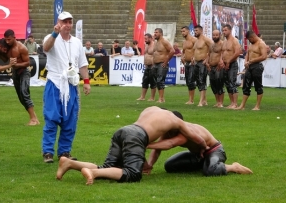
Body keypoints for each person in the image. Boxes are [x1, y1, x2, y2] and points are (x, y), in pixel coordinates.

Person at [56, 106, 208, 185]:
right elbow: (195, 137)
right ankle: (93, 173)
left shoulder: (151, 109)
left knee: (108, 166)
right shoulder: (176, 120)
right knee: (133, 174)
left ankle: (69, 163)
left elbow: (143, 142)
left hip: (123, 130)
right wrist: (204, 147)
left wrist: (148, 163)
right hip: (137, 136)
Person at [42, 11, 91, 163]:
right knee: (52, 118)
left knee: (70, 120)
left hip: (71, 85)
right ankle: (48, 152)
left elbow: (82, 64)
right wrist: (54, 34)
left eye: (70, 22)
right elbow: (46, 48)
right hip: (55, 83)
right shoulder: (51, 37)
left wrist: (87, 82)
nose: (68, 25)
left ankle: (64, 151)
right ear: (58, 23)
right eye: (65, 22)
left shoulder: (76, 42)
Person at [144, 113, 253, 176]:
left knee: (210, 171)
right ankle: (204, 164)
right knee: (169, 166)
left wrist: (147, 144)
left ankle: (233, 167)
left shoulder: (187, 131)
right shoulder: (169, 130)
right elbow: (158, 148)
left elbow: (170, 144)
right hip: (197, 155)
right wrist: (149, 165)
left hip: (214, 151)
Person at [4, 29, 40, 125]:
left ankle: (33, 119)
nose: (7, 42)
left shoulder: (21, 48)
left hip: (24, 72)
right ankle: (35, 118)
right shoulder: (6, 46)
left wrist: (16, 65)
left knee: (24, 94)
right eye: (6, 40)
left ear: (14, 38)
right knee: (21, 97)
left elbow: (28, 62)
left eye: (9, 39)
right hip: (15, 73)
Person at [236, 31, 267, 110]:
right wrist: (246, 61)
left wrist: (252, 61)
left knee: (258, 86)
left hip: (257, 66)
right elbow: (247, 54)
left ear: (252, 37)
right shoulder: (251, 44)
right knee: (246, 86)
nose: (249, 41)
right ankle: (242, 106)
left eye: (249, 39)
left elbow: (264, 56)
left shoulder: (261, 43)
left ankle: (257, 106)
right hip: (249, 66)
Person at [192, 25, 213, 106]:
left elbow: (213, 47)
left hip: (202, 63)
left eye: (196, 30)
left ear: (201, 31)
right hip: (196, 63)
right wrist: (193, 57)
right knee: (198, 81)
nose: (195, 32)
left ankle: (201, 101)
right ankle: (204, 100)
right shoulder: (196, 41)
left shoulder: (206, 39)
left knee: (202, 80)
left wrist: (207, 58)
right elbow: (196, 51)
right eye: (195, 30)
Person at [222, 24, 242, 109]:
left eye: (225, 30)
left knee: (232, 83)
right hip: (225, 64)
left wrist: (229, 62)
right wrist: (222, 61)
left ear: (230, 31)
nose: (224, 32)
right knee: (227, 84)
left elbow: (237, 52)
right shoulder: (224, 41)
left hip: (232, 64)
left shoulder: (234, 40)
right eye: (223, 30)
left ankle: (235, 103)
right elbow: (222, 53)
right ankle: (231, 103)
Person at [152, 28, 175, 103]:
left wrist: (166, 61)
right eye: (154, 32)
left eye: (156, 32)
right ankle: (161, 98)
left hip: (162, 64)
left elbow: (172, 51)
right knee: (157, 81)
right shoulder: (156, 42)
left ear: (161, 33)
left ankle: (161, 98)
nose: (155, 34)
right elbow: (155, 54)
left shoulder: (164, 42)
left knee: (160, 81)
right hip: (155, 64)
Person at [206, 30, 225, 108]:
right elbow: (209, 54)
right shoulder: (211, 45)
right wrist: (207, 63)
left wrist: (221, 61)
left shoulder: (223, 44)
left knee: (219, 84)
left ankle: (221, 102)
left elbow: (223, 54)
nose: (215, 36)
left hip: (219, 67)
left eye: (216, 35)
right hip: (211, 67)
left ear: (220, 35)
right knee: (213, 84)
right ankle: (217, 102)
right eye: (213, 35)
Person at [136, 33, 156, 101]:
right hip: (147, 66)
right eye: (144, 39)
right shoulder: (146, 45)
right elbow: (146, 54)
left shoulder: (154, 45)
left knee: (152, 82)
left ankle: (152, 97)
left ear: (150, 38)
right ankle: (142, 96)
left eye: (146, 39)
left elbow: (156, 55)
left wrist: (154, 64)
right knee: (144, 81)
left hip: (152, 66)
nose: (145, 40)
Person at [180, 26, 197, 104]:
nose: (182, 33)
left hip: (193, 63)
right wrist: (182, 56)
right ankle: (190, 99)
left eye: (184, 31)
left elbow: (199, 50)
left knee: (191, 81)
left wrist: (194, 57)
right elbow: (183, 51)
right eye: (182, 31)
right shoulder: (184, 42)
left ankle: (192, 100)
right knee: (188, 81)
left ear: (188, 31)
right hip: (186, 63)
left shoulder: (194, 40)